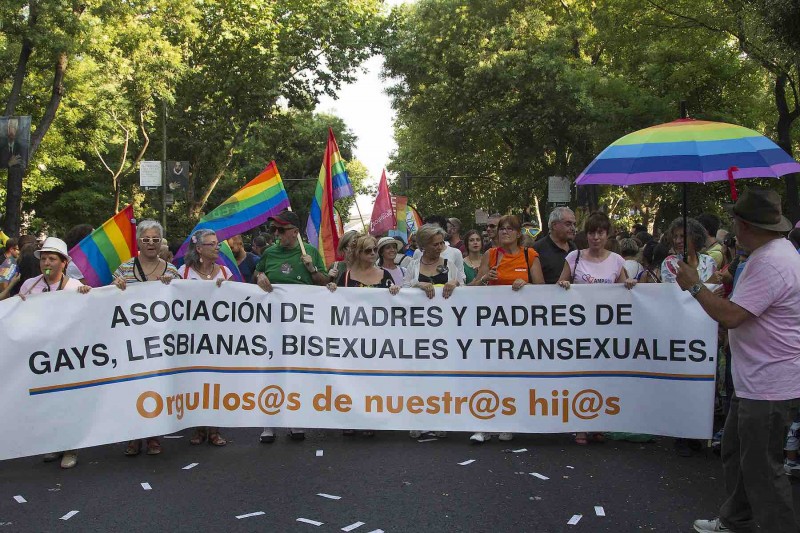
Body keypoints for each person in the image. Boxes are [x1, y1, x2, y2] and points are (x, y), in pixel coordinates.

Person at [678, 188, 800, 533]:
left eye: (735, 221)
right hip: (755, 379)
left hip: (768, 384)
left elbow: (731, 316)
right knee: (734, 450)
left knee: (762, 469)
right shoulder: (772, 254)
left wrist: (694, 286)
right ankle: (735, 519)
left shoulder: (770, 262)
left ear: (745, 225)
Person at [557, 212, 636, 446]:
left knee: (604, 377)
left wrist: (630, 284)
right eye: (591, 232)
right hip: (579, 330)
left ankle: (601, 424)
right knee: (581, 377)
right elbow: (559, 286)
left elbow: (625, 288)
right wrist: (564, 285)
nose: (595, 237)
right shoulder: (574, 257)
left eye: (600, 232)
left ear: (607, 234)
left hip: (607, 330)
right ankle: (581, 426)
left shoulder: (617, 261)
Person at [468, 215, 544, 443]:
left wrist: (527, 286)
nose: (505, 232)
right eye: (502, 229)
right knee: (488, 375)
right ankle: (484, 424)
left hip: (520, 329)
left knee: (513, 376)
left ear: (519, 233)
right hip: (491, 327)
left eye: (510, 229)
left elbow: (544, 291)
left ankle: (509, 420)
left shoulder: (529, 256)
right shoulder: (490, 255)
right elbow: (470, 289)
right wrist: (484, 280)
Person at [255, 209, 328, 443]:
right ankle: (268, 424)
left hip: (300, 325)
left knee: (296, 370)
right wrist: (259, 277)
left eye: (281, 230)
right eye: (274, 230)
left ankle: (295, 420)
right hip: (271, 322)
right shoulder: (269, 252)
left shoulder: (311, 253)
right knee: (270, 370)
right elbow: (257, 273)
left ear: (295, 232)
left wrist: (312, 270)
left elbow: (325, 283)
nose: (276, 234)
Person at [18, 237, 91, 469]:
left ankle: (71, 447)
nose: (46, 262)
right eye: (44, 258)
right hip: (40, 353)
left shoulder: (75, 287)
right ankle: (53, 444)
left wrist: (88, 296)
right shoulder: (29, 285)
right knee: (46, 399)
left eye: (52, 258)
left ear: (64, 263)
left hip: (68, 353)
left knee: (68, 399)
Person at [112, 220, 179, 456]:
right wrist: (115, 288)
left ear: (160, 242)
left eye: (155, 239)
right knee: (133, 387)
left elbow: (183, 306)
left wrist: (173, 288)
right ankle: (133, 436)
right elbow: (108, 304)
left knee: (156, 388)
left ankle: (153, 436)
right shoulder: (124, 269)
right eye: (146, 239)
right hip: (132, 341)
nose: (151, 244)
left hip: (160, 342)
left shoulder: (172, 271)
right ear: (138, 242)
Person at [403, 224, 464, 438]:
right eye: (436, 244)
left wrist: (455, 283)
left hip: (444, 331)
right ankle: (418, 419)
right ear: (423, 245)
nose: (440, 247)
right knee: (419, 377)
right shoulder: (413, 264)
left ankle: (441, 419)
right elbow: (404, 289)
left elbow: (463, 288)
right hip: (418, 331)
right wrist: (418, 285)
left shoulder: (449, 263)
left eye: (442, 243)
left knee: (441, 376)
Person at [178, 229, 230, 447]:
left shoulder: (226, 273)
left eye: (217, 243)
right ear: (199, 248)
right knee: (196, 381)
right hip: (193, 336)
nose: (217, 247)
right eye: (211, 244)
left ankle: (215, 429)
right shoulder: (184, 271)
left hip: (219, 337)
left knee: (217, 381)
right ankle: (199, 429)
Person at [661, 217, 717, 285]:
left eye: (683, 236)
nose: (677, 241)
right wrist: (708, 283)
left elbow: (716, 291)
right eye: (675, 237)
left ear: (695, 238)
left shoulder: (709, 261)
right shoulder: (670, 263)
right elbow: (675, 294)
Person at [533, 207, 577, 284]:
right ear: (554, 225)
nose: (573, 228)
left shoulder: (574, 248)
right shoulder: (537, 249)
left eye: (574, 224)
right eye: (568, 224)